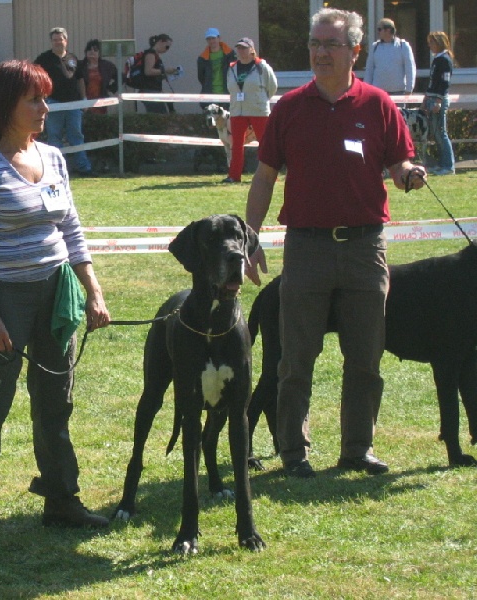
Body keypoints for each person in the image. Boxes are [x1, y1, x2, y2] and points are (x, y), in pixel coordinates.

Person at [0, 59, 112, 553]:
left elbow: (71, 229)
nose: (43, 108)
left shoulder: (53, 157)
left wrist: (93, 290)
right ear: (6, 105)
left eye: (44, 98)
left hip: (57, 294)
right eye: (33, 99)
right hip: (4, 298)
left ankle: (61, 499)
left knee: (56, 402)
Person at [244, 8, 426, 479]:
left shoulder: (377, 104)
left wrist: (409, 173)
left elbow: (399, 163)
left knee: (365, 358)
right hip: (307, 248)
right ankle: (293, 452)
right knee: (295, 359)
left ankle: (357, 449)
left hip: (365, 249)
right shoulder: (289, 108)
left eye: (331, 44)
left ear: (354, 52)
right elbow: (264, 177)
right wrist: (250, 236)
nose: (320, 53)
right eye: (315, 43)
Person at [34, 27, 93, 175]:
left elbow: (80, 79)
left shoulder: (73, 58)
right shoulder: (44, 59)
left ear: (66, 40)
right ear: (51, 42)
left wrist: (84, 99)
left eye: (60, 39)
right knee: (55, 136)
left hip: (74, 104)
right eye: (54, 40)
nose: (57, 42)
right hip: (53, 103)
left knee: (76, 135)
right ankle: (57, 169)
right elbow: (35, 78)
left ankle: (83, 168)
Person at [223, 37, 277, 184]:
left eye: (244, 48)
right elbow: (230, 87)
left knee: (265, 145)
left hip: (258, 110)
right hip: (237, 111)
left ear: (252, 50)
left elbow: (272, 87)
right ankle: (234, 176)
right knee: (236, 145)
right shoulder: (232, 67)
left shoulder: (262, 66)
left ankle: (269, 174)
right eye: (239, 48)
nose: (241, 51)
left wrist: (260, 100)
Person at [425, 31, 455, 176]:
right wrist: (426, 98)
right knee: (436, 133)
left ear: (439, 43)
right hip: (432, 98)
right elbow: (433, 81)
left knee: (441, 133)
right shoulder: (437, 59)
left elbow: (444, 82)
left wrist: (438, 100)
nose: (430, 45)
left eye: (432, 42)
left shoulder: (444, 60)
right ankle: (442, 163)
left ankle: (448, 166)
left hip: (438, 99)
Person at [363, 18, 416, 95]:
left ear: (388, 30)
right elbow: (369, 70)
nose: (378, 32)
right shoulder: (375, 47)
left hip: (398, 92)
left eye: (380, 29)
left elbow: (410, 68)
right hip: (378, 92)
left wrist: (409, 89)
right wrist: (366, 89)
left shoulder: (403, 46)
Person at [136, 34, 179, 114]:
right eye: (167, 47)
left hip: (153, 90)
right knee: (160, 115)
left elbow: (154, 75)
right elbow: (148, 71)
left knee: (159, 115)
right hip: (149, 91)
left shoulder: (155, 55)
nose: (167, 50)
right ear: (161, 42)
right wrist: (165, 70)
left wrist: (167, 74)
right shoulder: (151, 54)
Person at [197, 27, 235, 109]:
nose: (211, 41)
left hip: (228, 92)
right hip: (210, 94)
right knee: (211, 117)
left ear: (219, 38)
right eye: (209, 39)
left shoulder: (230, 54)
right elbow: (201, 77)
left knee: (228, 117)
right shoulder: (202, 58)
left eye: (213, 38)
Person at [76, 39, 118, 115]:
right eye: (89, 49)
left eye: (95, 50)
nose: (92, 51)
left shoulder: (107, 66)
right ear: (86, 52)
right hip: (82, 103)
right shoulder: (80, 65)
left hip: (100, 103)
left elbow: (121, 77)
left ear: (99, 53)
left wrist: (111, 88)